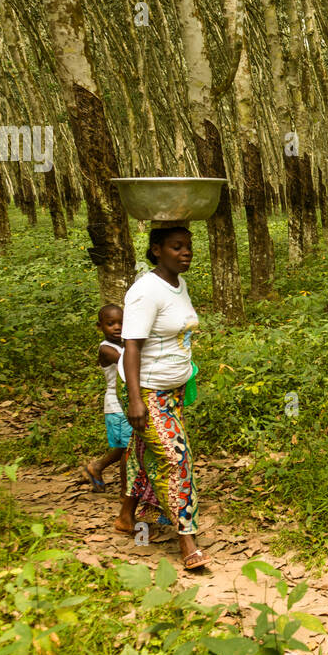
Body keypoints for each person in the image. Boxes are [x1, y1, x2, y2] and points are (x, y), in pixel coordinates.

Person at [115, 225, 208, 570]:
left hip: (176, 390)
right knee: (175, 457)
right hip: (150, 392)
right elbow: (132, 345)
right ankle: (187, 539)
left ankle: (127, 515)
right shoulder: (145, 291)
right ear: (156, 250)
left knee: (143, 454)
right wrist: (136, 399)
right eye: (176, 247)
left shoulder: (178, 285)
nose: (186, 253)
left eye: (188, 246)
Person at [79, 305, 130, 490]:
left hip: (128, 401)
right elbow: (127, 361)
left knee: (127, 445)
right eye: (111, 324)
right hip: (116, 404)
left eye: (121, 323)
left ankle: (96, 467)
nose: (117, 327)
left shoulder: (125, 344)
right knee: (127, 449)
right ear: (100, 326)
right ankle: (126, 492)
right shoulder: (106, 349)